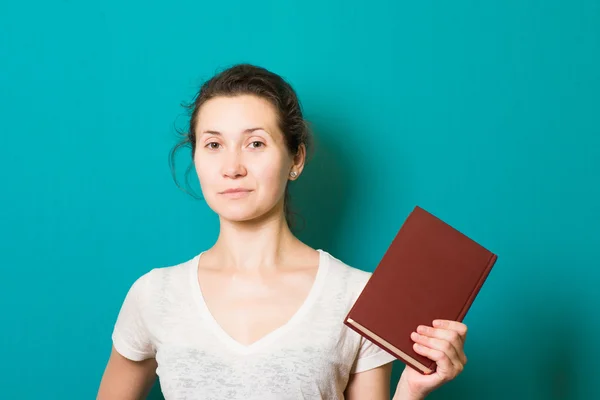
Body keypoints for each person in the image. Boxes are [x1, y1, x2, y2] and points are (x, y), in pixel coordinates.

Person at [97, 64, 468, 400]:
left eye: (255, 143)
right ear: (195, 157)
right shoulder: (155, 295)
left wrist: (411, 391)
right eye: (213, 144)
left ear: (296, 159)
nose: (232, 167)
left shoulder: (356, 296)